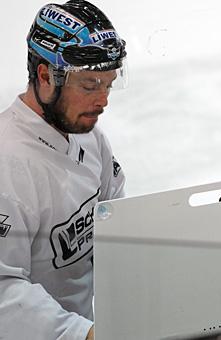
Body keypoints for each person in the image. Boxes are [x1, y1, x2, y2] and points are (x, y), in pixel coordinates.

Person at [0, 1, 127, 339]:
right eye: (89, 85)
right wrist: (83, 334)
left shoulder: (91, 139)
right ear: (44, 76)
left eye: (108, 85)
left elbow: (120, 227)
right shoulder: (6, 165)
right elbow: (3, 290)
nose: (103, 100)